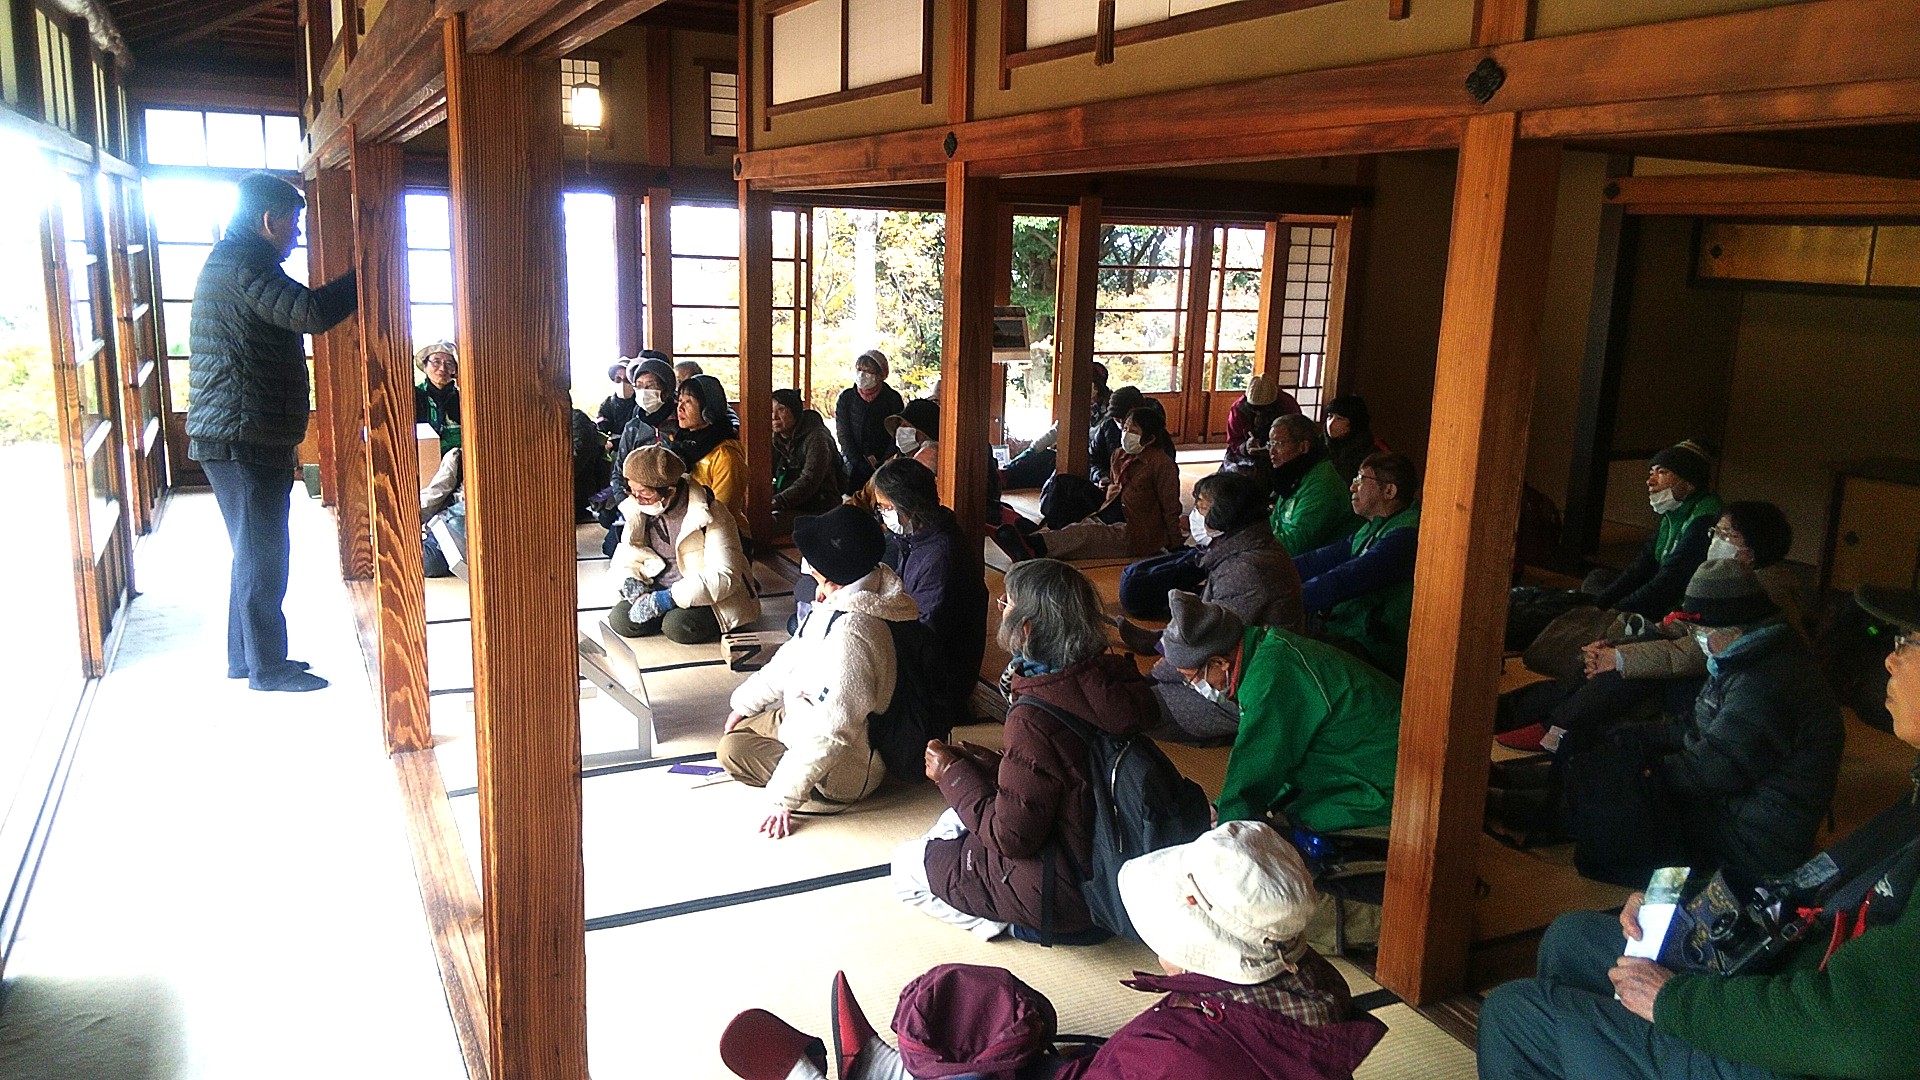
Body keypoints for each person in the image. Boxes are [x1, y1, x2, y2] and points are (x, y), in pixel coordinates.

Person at [1475, 584, 1920, 1080]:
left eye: (1908, 642)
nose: (1890, 660)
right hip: (1790, 957)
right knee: (1570, 937)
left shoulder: (1770, 681)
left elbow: (1865, 1033)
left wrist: (1672, 1000)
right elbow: (1815, 886)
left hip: (1798, 1034)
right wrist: (1692, 906)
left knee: (1516, 1014)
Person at [721, 821, 1386, 1080]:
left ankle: (874, 1076)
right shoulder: (1315, 987)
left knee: (967, 1007)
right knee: (988, 1005)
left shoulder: (1176, 1057)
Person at [892, 559, 1158, 940]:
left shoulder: (1035, 715)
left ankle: (1011, 923)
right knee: (954, 819)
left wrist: (951, 774)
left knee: (903, 867)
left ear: (1027, 628)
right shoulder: (1112, 680)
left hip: (1064, 894)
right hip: (1117, 867)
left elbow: (1011, 838)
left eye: (1008, 604)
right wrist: (994, 765)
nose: (1002, 610)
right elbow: (1072, 771)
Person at [1551, 560, 1844, 887]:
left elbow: (1712, 771)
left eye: (1699, 631)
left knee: (1617, 804)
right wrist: (1628, 740)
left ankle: (1544, 811)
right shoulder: (1745, 656)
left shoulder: (1767, 682)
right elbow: (1693, 726)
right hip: (1724, 806)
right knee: (1610, 764)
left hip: (1748, 843)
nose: (1696, 638)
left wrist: (1636, 773)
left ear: (1730, 630)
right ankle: (1548, 797)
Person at [187, 172, 358, 692]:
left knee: (252, 550)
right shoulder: (244, 264)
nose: (297, 234)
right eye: (295, 223)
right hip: (243, 436)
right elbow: (310, 312)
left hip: (240, 434)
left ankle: (247, 659)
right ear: (268, 221)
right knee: (264, 553)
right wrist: (369, 273)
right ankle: (267, 668)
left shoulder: (235, 260)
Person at [1495, 501, 1800, 756]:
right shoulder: (1730, 575)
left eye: (1724, 534)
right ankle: (1505, 713)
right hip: (1690, 660)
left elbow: (1694, 652)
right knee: (1608, 655)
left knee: (1626, 670)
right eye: (1715, 532)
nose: (1714, 540)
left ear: (1752, 548)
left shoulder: (1759, 591)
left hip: (1715, 684)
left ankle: (1556, 729)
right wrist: (1617, 644)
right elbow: (1681, 622)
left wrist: (1622, 657)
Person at [718, 505, 911, 836]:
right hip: (805, 710)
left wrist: (783, 799)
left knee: (731, 751)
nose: (807, 568)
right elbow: (791, 657)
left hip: (847, 764)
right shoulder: (854, 593)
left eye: (812, 565)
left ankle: (815, 790)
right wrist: (744, 703)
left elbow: (832, 731)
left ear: (831, 572)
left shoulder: (854, 632)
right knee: (739, 728)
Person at [1152, 593, 1400, 827]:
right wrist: (1222, 807)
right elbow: (1274, 757)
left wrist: (1226, 828)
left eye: (1192, 677)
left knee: (1295, 829)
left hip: (1385, 778)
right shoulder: (1266, 649)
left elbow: (1257, 764)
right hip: (1354, 758)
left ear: (1219, 662)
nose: (1194, 686)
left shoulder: (1269, 678)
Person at [1118, 469, 1302, 644]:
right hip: (1251, 645)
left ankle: (1164, 644)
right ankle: (1164, 640)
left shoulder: (1244, 569)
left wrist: (1156, 673)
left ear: (1225, 515)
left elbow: (1214, 639)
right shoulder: (1250, 544)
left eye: (1201, 508)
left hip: (1260, 660)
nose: (1196, 515)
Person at [873, 457, 987, 727]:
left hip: (940, 680)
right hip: (921, 655)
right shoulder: (915, 539)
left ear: (908, 507)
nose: (883, 515)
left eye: (886, 507)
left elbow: (925, 632)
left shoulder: (941, 556)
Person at [606, 445, 761, 643]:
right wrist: (632, 585)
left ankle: (668, 615)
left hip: (705, 595)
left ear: (669, 491)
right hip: (657, 586)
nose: (636, 499)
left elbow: (724, 576)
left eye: (644, 493)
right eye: (631, 490)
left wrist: (666, 599)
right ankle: (660, 611)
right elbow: (626, 557)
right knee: (620, 619)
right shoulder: (639, 509)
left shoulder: (711, 513)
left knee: (677, 626)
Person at [994, 405, 1181, 564]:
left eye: (1133, 431)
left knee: (1086, 535)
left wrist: (1176, 545)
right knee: (1076, 522)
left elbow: (1170, 508)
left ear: (1150, 438)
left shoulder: (1162, 465)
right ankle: (1032, 539)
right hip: (1108, 512)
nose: (1126, 435)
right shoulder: (1120, 455)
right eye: (1124, 428)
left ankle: (1034, 547)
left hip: (1135, 531)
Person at [1292, 452, 1422, 678]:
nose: (1352, 488)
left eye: (1361, 480)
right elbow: (1318, 560)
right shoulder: (1374, 526)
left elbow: (1346, 579)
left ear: (1389, 491)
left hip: (1374, 648)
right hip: (1348, 630)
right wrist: (1268, 573)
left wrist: (1287, 599)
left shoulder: (1405, 535)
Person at [1588, 439, 1723, 619]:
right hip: (1660, 588)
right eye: (1651, 472)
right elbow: (1641, 567)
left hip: (1678, 606)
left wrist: (1611, 612)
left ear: (1689, 480)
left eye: (1662, 473)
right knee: (1597, 578)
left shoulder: (1705, 516)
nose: (1650, 481)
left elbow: (1669, 583)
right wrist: (1598, 605)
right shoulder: (1673, 513)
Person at [599, 352, 680, 556]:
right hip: (638, 501)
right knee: (614, 548)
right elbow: (618, 473)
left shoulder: (681, 422)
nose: (644, 391)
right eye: (639, 386)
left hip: (675, 501)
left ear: (667, 389)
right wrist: (627, 505)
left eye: (651, 385)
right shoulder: (633, 427)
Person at [666, 373, 749, 536]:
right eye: (680, 401)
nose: (680, 408)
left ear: (708, 408)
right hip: (688, 528)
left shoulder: (725, 454)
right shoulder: (681, 443)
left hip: (722, 534)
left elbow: (721, 510)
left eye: (688, 402)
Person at [1267, 413, 1359, 557]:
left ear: (1303, 446)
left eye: (1279, 444)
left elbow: (1297, 544)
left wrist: (1253, 544)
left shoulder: (1322, 482)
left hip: (1318, 562)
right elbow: (1275, 522)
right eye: (1270, 444)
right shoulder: (1293, 473)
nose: (1272, 452)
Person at [769, 388, 845, 524]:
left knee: (767, 524)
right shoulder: (776, 438)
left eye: (781, 409)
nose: (774, 416)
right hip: (793, 503)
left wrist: (778, 501)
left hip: (821, 506)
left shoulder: (816, 437)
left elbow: (810, 479)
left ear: (795, 412)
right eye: (771, 410)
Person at [835, 349, 906, 490]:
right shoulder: (846, 398)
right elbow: (844, 434)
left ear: (880, 375)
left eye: (868, 372)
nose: (862, 375)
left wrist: (883, 461)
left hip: (885, 464)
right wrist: (858, 461)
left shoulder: (892, 398)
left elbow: (898, 432)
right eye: (859, 370)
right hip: (853, 464)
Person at [1221, 374, 1300, 472]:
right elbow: (1233, 440)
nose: (1259, 413)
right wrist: (1246, 446)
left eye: (1264, 409)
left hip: (1282, 452)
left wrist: (1276, 446)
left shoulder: (1287, 405)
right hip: (1246, 455)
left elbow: (1298, 435)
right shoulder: (1238, 409)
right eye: (1254, 409)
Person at [1088, 385, 1144, 489]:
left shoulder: (1154, 432)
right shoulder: (1107, 427)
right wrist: (1101, 476)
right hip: (1111, 488)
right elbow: (1093, 459)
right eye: (1117, 419)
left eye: (1126, 418)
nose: (1122, 424)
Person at [1322, 395, 1388, 483]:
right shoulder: (1317, 445)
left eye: (1340, 419)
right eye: (1330, 417)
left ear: (1354, 423)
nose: (1331, 423)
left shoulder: (1372, 452)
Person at [412, 340, 461, 452]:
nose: (442, 368)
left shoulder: (462, 400)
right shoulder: (414, 397)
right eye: (436, 362)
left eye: (449, 363)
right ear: (425, 366)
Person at [885, 398, 940, 471]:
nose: (900, 431)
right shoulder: (894, 461)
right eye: (899, 425)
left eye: (907, 426)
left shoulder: (933, 460)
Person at [595, 357, 639, 437]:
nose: (622, 383)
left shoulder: (641, 403)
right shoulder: (607, 404)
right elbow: (601, 431)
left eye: (626, 380)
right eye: (618, 379)